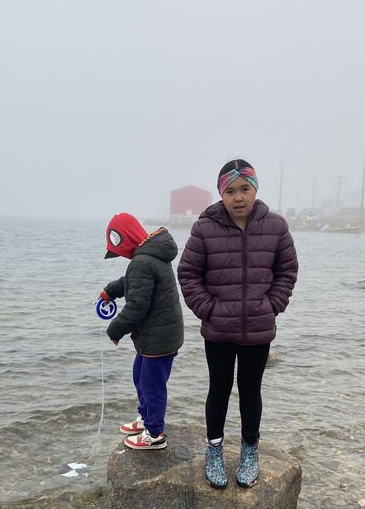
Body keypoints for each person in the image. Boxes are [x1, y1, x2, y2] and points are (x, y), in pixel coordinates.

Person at [177, 159, 298, 487]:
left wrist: (272, 305)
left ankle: (249, 450)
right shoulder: (204, 228)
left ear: (255, 189)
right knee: (218, 388)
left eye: (245, 188)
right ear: (222, 194)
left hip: (259, 328)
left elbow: (287, 270)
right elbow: (188, 273)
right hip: (218, 329)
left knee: (250, 389)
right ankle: (214, 450)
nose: (238, 197)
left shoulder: (276, 227)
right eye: (230, 191)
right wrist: (208, 309)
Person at [100, 213, 184, 450]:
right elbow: (132, 281)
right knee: (140, 375)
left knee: (152, 385)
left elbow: (137, 305)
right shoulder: (150, 256)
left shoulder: (142, 261)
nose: (121, 255)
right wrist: (110, 291)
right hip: (159, 334)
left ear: (124, 238)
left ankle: (154, 434)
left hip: (159, 337)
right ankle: (146, 418)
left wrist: (115, 330)